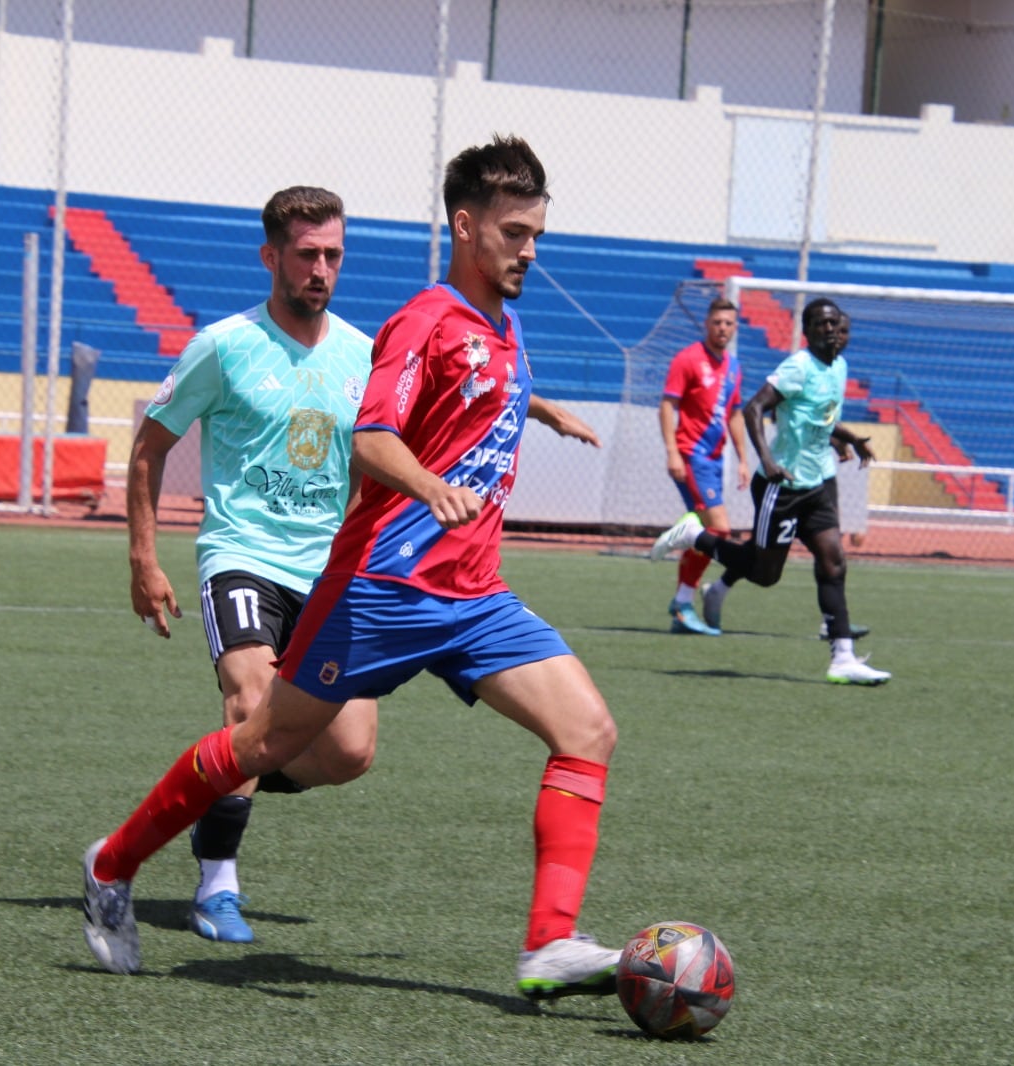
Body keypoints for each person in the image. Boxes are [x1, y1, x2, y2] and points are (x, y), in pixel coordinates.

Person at [83, 135, 622, 1000]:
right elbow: (372, 437)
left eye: (537, 236)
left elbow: (480, 394)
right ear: (465, 224)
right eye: (515, 232)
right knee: (260, 739)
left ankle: (548, 946)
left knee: (588, 731)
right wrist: (430, 487)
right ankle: (112, 865)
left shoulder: (506, 327)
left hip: (473, 596)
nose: (529, 251)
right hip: (380, 588)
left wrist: (543, 411)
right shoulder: (423, 319)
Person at [123, 185, 380, 947]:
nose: (322, 269)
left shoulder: (364, 355)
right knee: (250, 703)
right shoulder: (223, 345)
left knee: (351, 751)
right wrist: (144, 556)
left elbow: (369, 466)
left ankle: (215, 779)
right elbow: (150, 447)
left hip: (328, 575)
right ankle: (217, 884)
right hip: (241, 556)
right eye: (307, 254)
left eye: (333, 254)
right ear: (272, 256)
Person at [649, 298, 890, 685]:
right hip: (783, 487)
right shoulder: (798, 366)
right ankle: (695, 535)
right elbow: (753, 408)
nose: (831, 330)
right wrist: (766, 459)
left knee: (834, 562)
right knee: (764, 573)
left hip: (820, 484)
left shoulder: (839, 367)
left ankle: (842, 656)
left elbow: (819, 417)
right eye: (821, 324)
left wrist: (846, 438)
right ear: (807, 332)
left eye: (835, 324)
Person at [657, 298, 749, 636]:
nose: (722, 328)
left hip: (714, 461)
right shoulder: (688, 359)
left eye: (728, 323)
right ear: (707, 324)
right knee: (720, 529)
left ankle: (682, 603)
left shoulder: (734, 368)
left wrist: (742, 459)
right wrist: (672, 452)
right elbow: (668, 406)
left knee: (708, 533)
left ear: (735, 327)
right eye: (717, 322)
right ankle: (683, 602)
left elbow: (735, 413)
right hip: (691, 455)